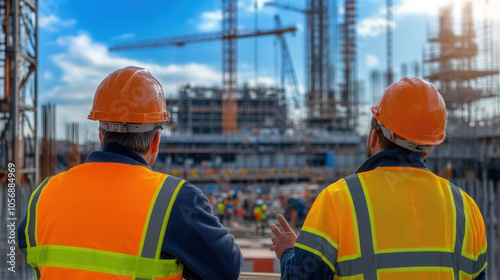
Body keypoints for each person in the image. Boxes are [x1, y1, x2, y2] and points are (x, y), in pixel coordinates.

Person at [18, 66, 242, 280]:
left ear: (101, 135)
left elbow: (26, 244)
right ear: (155, 141)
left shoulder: (45, 193)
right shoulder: (177, 200)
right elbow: (228, 268)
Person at [270, 78, 487, 279]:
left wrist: (288, 251)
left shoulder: (337, 200)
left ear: (374, 136)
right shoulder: (468, 209)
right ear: (427, 150)